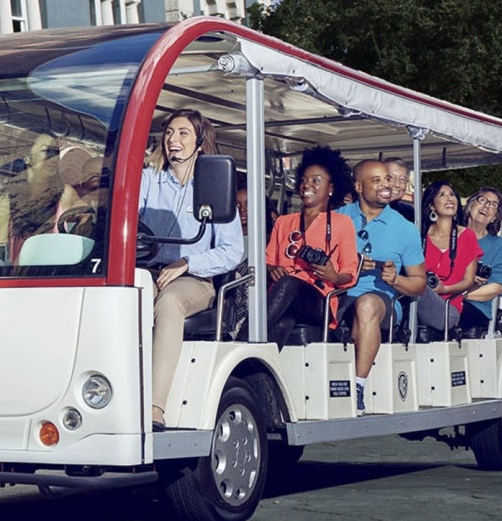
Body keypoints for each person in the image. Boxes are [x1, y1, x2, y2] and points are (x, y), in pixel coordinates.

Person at [141, 108, 245, 428]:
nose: (173, 139)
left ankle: (155, 407)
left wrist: (189, 262)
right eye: (169, 133)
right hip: (147, 270)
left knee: (169, 302)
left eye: (183, 133)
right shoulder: (148, 179)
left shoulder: (213, 186)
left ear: (200, 142)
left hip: (194, 280)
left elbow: (233, 250)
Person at [338, 158, 427, 411]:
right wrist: (348, 264)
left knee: (365, 306)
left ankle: (357, 387)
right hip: (336, 294)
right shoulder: (336, 218)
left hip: (382, 300)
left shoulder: (406, 228)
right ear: (358, 186)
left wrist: (396, 279)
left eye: (387, 179)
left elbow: (419, 284)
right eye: (376, 180)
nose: (386, 185)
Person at [265, 146, 359, 339]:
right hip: (282, 298)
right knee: (282, 324)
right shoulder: (284, 222)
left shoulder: (342, 223)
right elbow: (266, 261)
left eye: (316, 181)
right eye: (304, 180)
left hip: (320, 301)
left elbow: (350, 274)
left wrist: (333, 275)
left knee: (290, 283)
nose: (307, 185)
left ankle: (243, 342)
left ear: (331, 188)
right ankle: (254, 368)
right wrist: (272, 268)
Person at [416, 180, 482, 337]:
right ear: (431, 206)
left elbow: (468, 280)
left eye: (452, 195)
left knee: (417, 285)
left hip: (448, 309)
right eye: (442, 195)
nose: (449, 199)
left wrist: (445, 289)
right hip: (417, 303)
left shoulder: (467, 236)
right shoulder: (420, 235)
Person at [460, 188, 502, 334]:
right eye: (482, 200)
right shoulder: (449, 235)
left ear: (494, 217)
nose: (487, 206)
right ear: (469, 206)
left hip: (474, 307)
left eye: (493, 205)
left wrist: (460, 295)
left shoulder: (497, 245)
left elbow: (497, 287)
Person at [385, 159, 416, 223]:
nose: (397, 185)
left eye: (402, 179)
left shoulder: (409, 212)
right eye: (391, 178)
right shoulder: (367, 209)